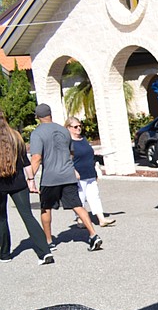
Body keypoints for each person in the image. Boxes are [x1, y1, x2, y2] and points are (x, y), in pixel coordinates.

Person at [29, 103, 103, 252]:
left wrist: (30, 178)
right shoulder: (63, 130)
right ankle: (93, 234)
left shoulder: (37, 133)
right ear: (50, 114)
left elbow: (36, 157)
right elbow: (71, 152)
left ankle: (49, 241)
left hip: (50, 177)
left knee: (46, 207)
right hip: (67, 174)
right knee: (77, 205)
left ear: (37, 117)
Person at [0, 109, 54, 264]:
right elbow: (25, 161)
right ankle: (45, 252)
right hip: (18, 183)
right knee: (28, 216)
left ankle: (4, 254)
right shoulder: (16, 136)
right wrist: (31, 179)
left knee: (1, 218)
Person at [65, 117, 116, 228]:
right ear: (68, 128)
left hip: (90, 172)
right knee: (80, 197)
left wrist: (96, 171)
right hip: (78, 174)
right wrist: (73, 171)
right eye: (75, 127)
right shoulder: (68, 142)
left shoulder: (83, 139)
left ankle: (101, 219)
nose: (78, 128)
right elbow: (67, 159)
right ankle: (79, 219)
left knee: (94, 196)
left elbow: (90, 155)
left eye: (80, 126)